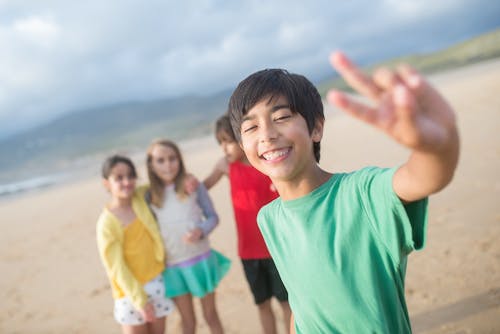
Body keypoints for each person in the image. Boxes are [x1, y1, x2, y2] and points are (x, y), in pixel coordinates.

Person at [227, 51, 460, 333]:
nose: (266, 134)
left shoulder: (361, 194)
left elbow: (425, 177)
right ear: (242, 146)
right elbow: (301, 300)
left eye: (281, 117)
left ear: (316, 128)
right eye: (250, 126)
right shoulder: (269, 218)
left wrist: (438, 145)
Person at [203, 114, 291, 334]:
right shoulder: (226, 166)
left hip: (276, 248)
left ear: (243, 140)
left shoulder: (265, 162)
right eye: (220, 143)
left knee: (286, 303)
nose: (224, 148)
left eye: (228, 141)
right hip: (248, 252)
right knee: (262, 304)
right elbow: (202, 188)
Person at [146, 139, 231, 334]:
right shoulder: (149, 196)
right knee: (188, 322)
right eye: (160, 160)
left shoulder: (193, 186)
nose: (168, 165)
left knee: (211, 316)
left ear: (179, 160)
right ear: (151, 164)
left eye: (172, 158)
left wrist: (201, 230)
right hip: (173, 267)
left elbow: (213, 217)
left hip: (200, 261)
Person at [96, 154, 175, 334]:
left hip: (156, 282)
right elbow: (116, 268)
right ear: (106, 183)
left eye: (130, 175)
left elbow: (164, 183)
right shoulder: (107, 223)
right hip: (129, 294)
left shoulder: (140, 197)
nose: (127, 182)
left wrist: (187, 179)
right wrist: (139, 300)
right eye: (119, 178)